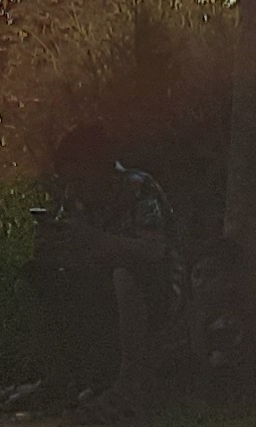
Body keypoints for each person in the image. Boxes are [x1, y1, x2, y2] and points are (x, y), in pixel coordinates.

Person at [31, 123, 171, 417]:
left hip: (152, 284)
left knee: (124, 276)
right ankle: (59, 379)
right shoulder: (77, 198)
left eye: (81, 179)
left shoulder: (139, 189)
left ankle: (130, 386)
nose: (76, 188)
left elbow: (154, 251)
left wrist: (97, 240)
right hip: (97, 281)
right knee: (43, 277)